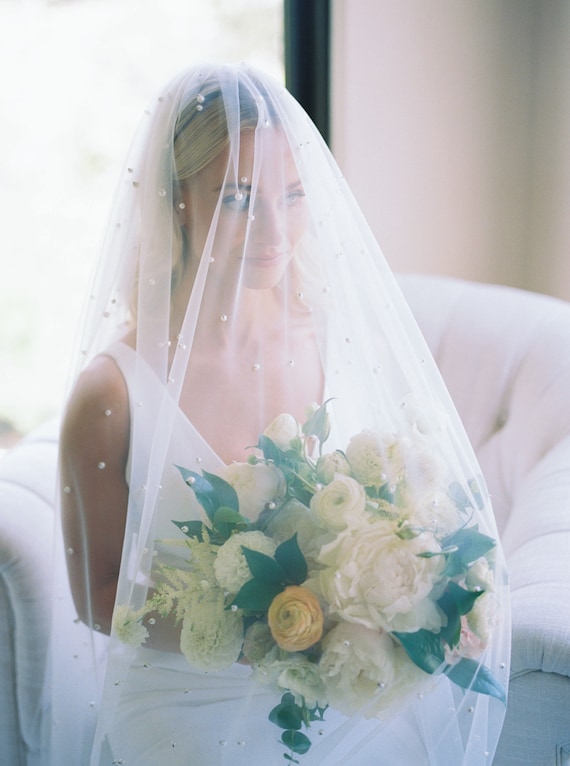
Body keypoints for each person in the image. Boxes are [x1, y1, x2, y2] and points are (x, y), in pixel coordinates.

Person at [45, 64, 510, 765]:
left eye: (292, 196)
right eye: (238, 197)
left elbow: (415, 507)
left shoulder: (335, 336)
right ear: (177, 200)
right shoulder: (111, 393)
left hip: (350, 685)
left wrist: (407, 601)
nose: (274, 230)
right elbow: (95, 593)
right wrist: (279, 627)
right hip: (182, 698)